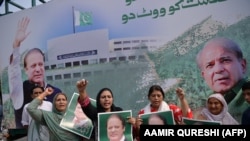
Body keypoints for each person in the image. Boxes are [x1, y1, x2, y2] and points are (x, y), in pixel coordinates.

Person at [8, 17, 61, 128]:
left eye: (40, 64)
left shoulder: (56, 92)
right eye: (33, 66)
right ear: (26, 70)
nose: (38, 69)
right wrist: (16, 44)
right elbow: (14, 73)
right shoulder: (19, 91)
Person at [196, 37, 249, 122]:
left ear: (242, 65)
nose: (218, 69)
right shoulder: (208, 104)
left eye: (225, 60)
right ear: (204, 75)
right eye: (210, 65)